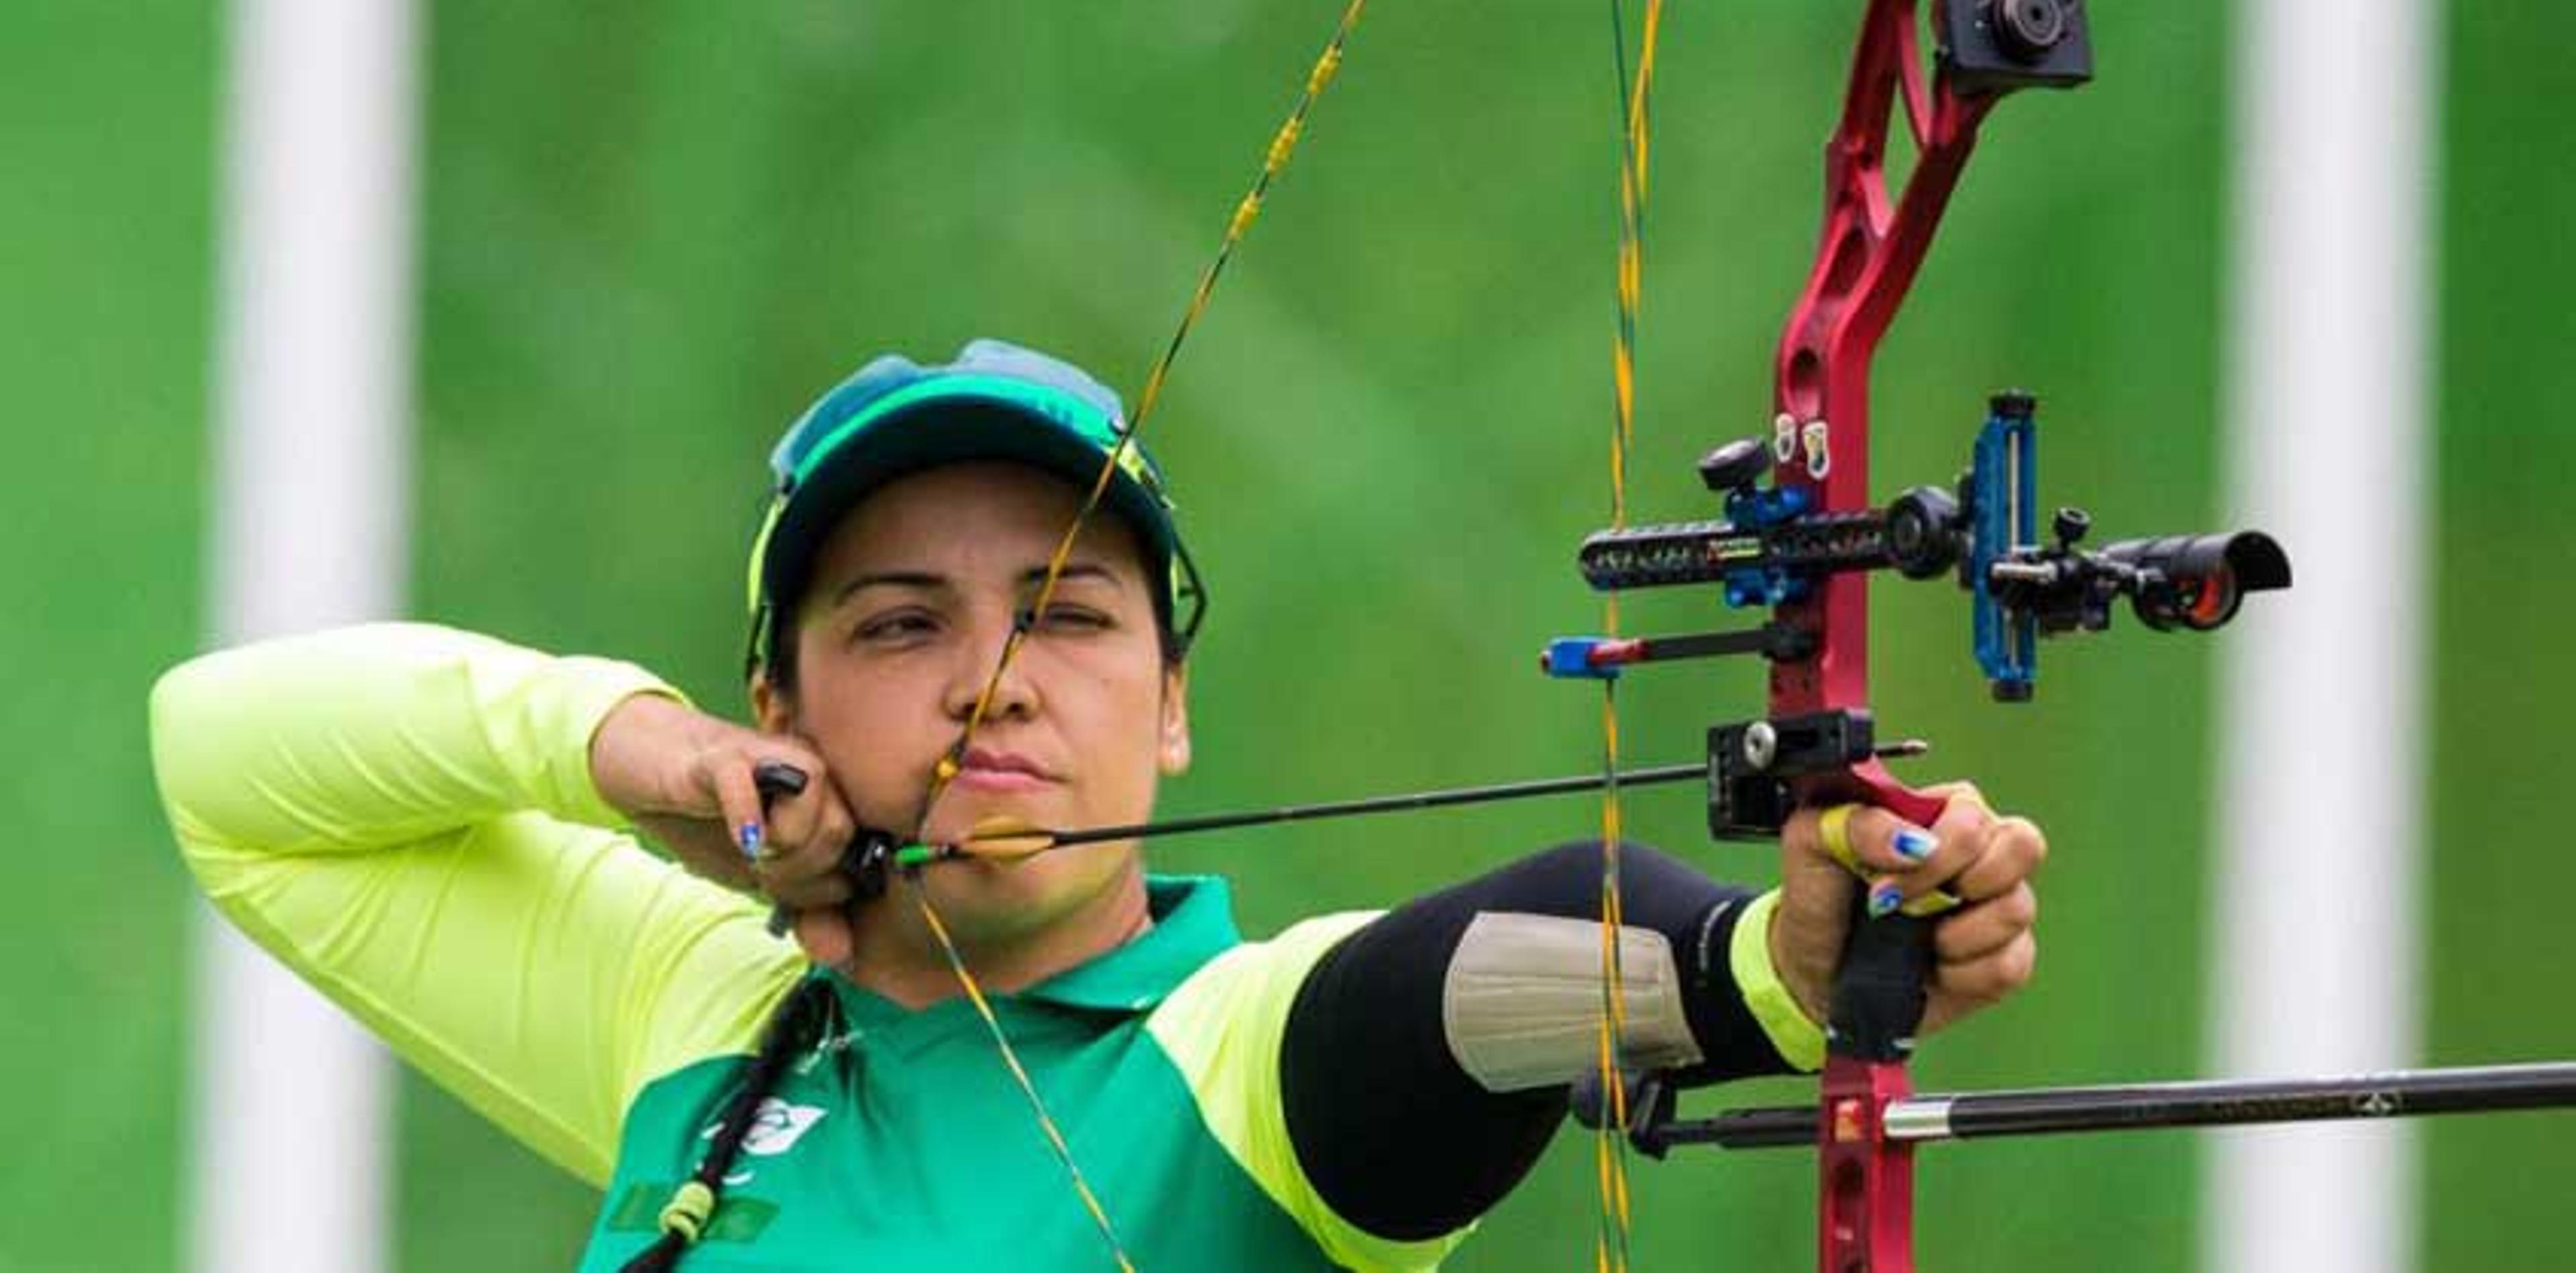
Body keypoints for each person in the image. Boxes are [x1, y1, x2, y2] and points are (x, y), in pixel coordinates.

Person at [152, 338, 2045, 1271]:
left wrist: (1772, 972)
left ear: (1173, 707)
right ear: (779, 707)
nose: (992, 678)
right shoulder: (700, 1017)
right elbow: (229, 768)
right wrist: (624, 747)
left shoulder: (1238, 1057)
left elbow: (1493, 982)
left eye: (1067, 614)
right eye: (901, 625)